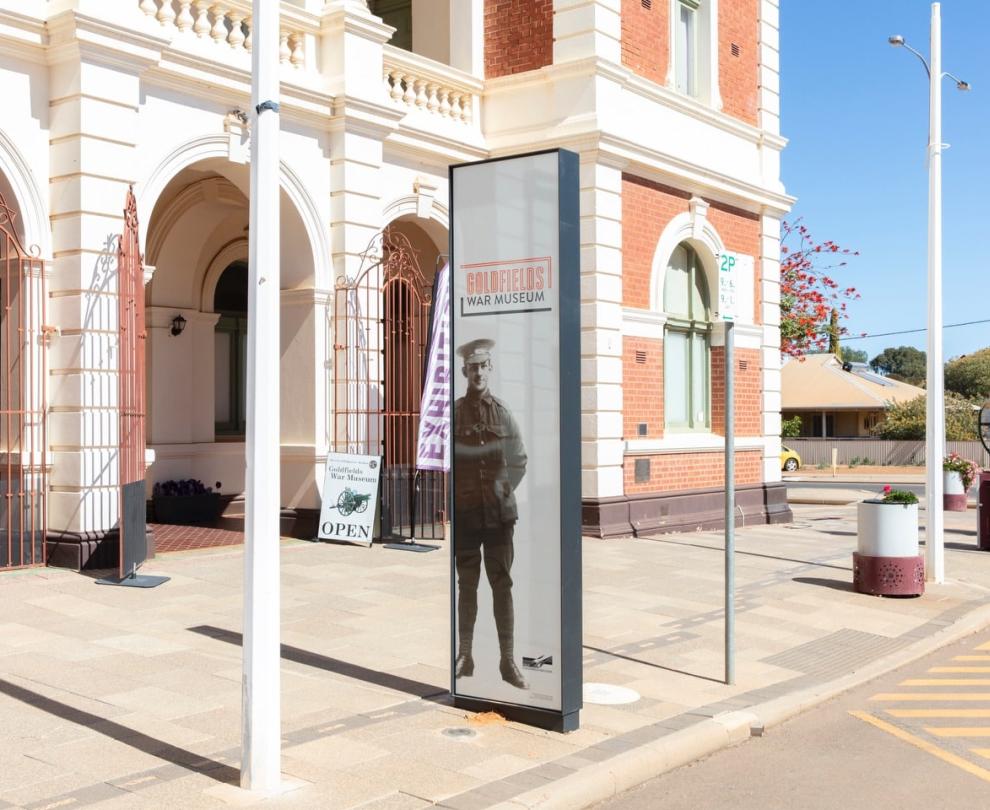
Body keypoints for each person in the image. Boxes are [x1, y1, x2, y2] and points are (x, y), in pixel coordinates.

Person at [453, 338, 529, 690]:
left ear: (490, 369)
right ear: (465, 371)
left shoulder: (502, 412)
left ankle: (507, 660)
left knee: (502, 585)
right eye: (473, 367)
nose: (478, 372)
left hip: (499, 517)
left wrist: (504, 488)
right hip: (467, 515)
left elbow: (519, 458)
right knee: (466, 585)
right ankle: (465, 656)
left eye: (483, 366)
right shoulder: (454, 413)